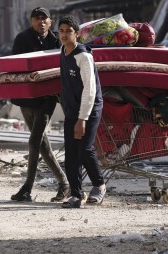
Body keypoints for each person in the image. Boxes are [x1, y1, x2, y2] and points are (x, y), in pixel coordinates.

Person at [10, 7, 70, 202]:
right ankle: (64, 184)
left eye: (44, 19)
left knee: (34, 140)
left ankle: (27, 187)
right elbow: (15, 68)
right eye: (37, 18)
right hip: (26, 99)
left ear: (50, 22)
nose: (41, 22)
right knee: (42, 145)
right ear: (31, 21)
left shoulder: (56, 41)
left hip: (47, 99)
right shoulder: (22, 39)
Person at [58, 15, 106, 208]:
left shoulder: (84, 56)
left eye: (68, 31)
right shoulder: (62, 51)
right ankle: (77, 195)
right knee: (70, 153)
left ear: (77, 34)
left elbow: (90, 90)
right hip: (72, 109)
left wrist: (82, 119)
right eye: (60, 31)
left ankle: (99, 185)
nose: (64, 34)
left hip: (90, 108)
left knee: (84, 149)